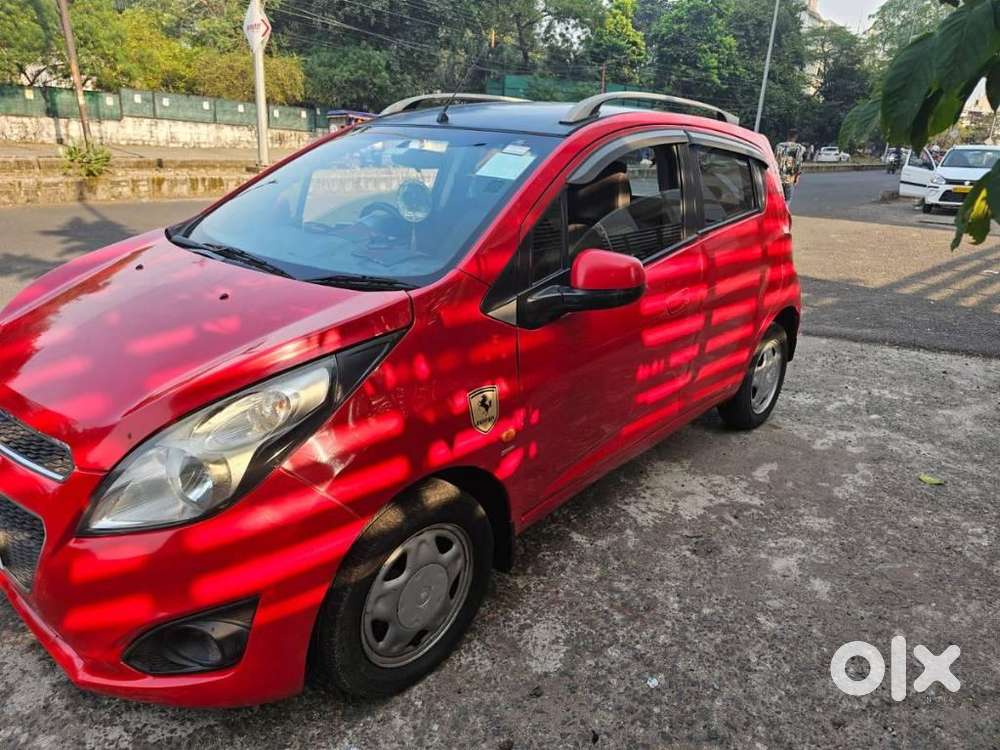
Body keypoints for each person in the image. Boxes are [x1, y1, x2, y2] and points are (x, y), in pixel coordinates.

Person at [775, 130, 807, 202]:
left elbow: (775, 160)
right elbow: (798, 163)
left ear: (787, 135)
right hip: (789, 178)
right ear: (796, 137)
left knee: (778, 200)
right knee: (787, 201)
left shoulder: (779, 146)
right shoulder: (799, 148)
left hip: (778, 178)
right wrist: (797, 177)